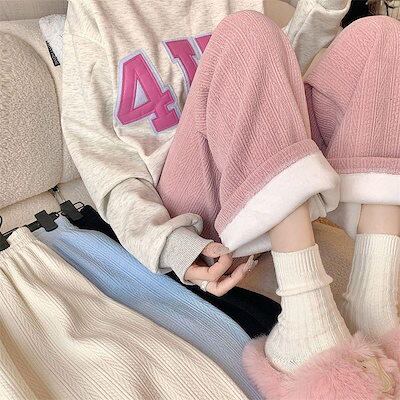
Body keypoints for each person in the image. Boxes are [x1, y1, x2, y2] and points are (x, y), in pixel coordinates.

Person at [62, 0, 400, 398]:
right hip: (191, 206)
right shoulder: (96, 11)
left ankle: (373, 302)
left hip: (257, 185)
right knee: (247, 31)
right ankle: (304, 322)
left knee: (381, 37)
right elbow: (102, 157)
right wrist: (170, 244)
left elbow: (271, 82)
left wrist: (324, 7)